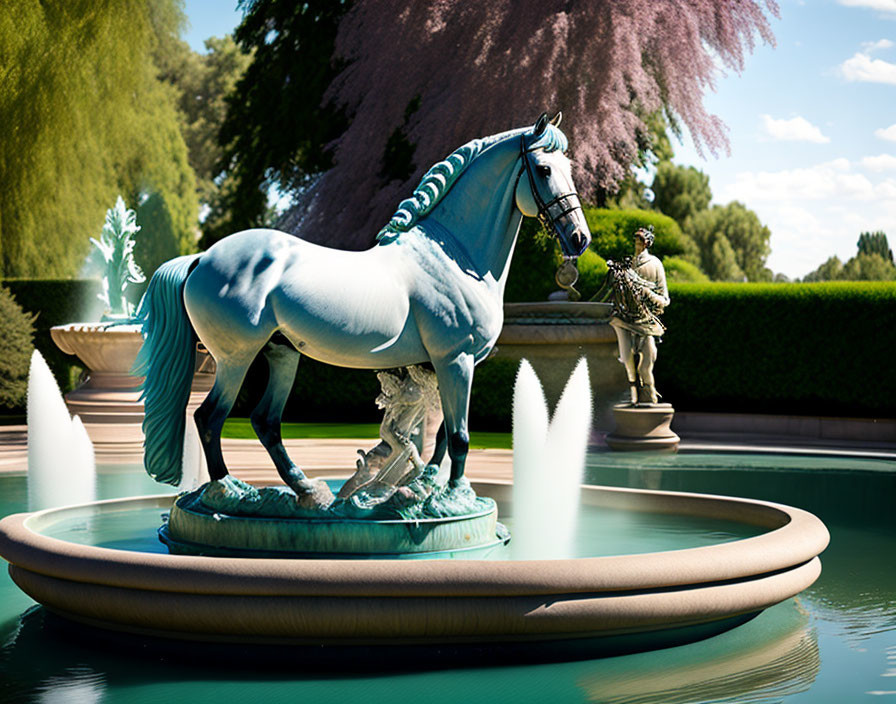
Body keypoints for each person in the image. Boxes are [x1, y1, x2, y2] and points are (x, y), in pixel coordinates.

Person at [593, 226, 670, 405]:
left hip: (646, 321)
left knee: (646, 364)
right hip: (623, 319)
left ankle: (649, 395)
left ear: (647, 243)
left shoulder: (655, 264)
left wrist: (648, 293)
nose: (637, 243)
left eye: (641, 240)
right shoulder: (627, 265)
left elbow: (665, 299)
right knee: (626, 359)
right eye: (636, 239)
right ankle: (632, 394)